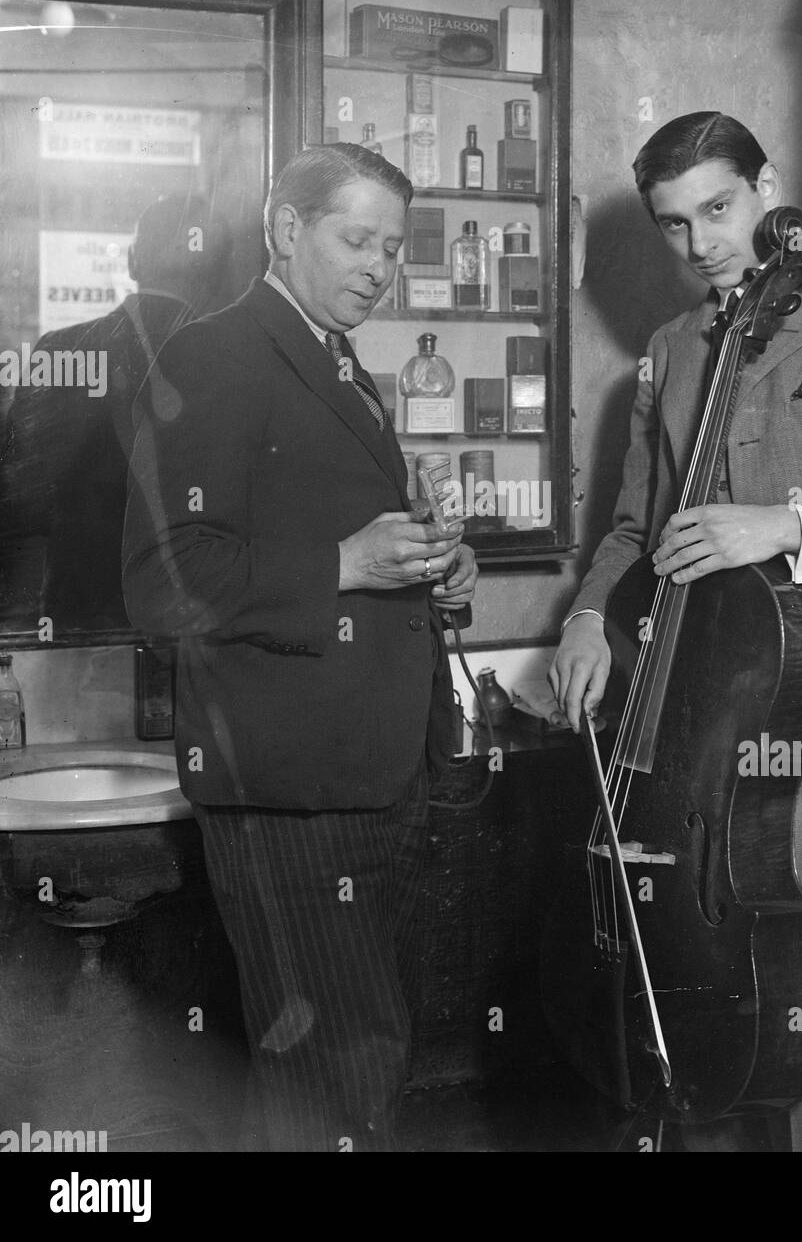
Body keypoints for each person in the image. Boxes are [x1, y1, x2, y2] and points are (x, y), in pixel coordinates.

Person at [122, 144, 477, 1152]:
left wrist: (433, 567)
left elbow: (351, 552)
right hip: (291, 794)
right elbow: (162, 578)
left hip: (370, 775)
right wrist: (345, 562)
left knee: (329, 1075)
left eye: (392, 248)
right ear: (286, 228)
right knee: (340, 1072)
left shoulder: (335, 359)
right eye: (354, 238)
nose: (378, 266)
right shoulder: (214, 353)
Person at [549, 111, 802, 1153]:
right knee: (697, 973)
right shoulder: (668, 348)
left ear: (764, 184)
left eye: (719, 209)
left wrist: (784, 526)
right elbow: (636, 527)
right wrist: (592, 611)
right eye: (672, 225)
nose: (700, 246)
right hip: (698, 702)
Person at [0, 193, 230, 630]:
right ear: (214, 274)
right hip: (204, 620)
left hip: (81, 616)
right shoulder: (236, 361)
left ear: (131, 261)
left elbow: (23, 500)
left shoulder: (62, 349)